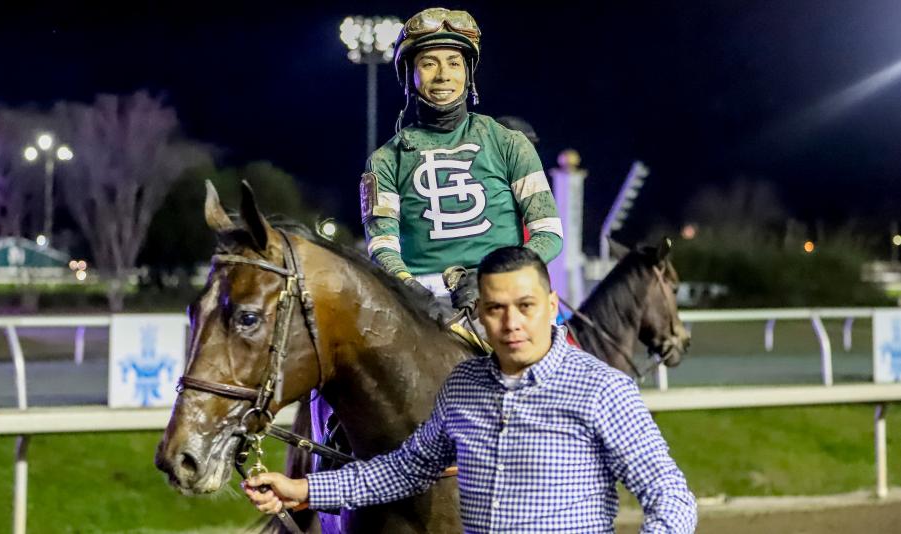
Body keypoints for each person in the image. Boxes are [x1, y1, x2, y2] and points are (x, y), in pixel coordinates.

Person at [244, 246, 698, 533]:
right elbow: (405, 470)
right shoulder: (463, 387)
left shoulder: (604, 390)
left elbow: (670, 498)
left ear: (552, 306)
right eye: (496, 309)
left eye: (526, 306)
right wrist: (303, 490)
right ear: (479, 313)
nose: (512, 323)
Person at [360, 7, 563, 314]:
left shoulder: (510, 143)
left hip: (502, 293)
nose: (443, 75)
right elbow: (382, 246)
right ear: (409, 75)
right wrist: (414, 292)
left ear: (468, 72)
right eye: (428, 63)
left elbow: (549, 233)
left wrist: (491, 277)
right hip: (419, 307)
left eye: (454, 63)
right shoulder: (385, 160)